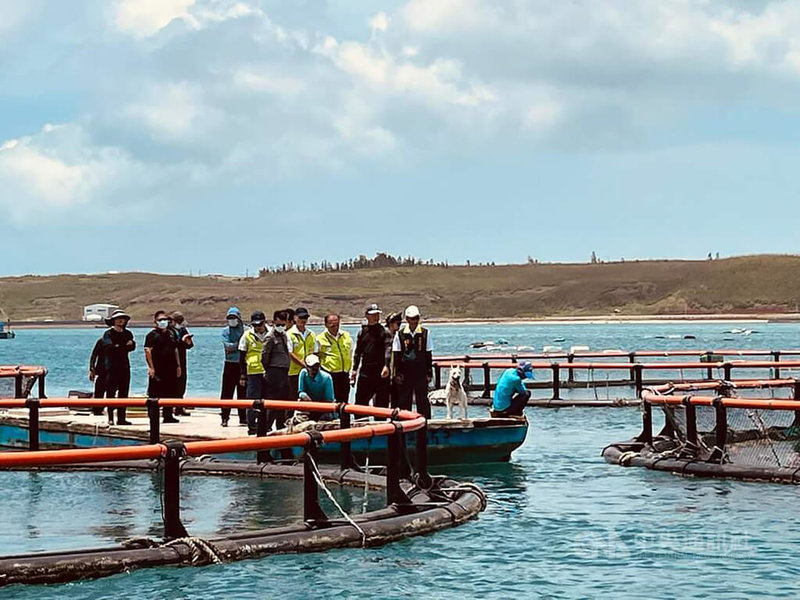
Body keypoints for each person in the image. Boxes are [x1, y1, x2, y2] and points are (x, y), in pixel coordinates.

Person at [392, 305, 433, 419]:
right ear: (407, 319)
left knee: (422, 400)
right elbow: (397, 355)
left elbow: (428, 353)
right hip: (406, 373)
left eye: (416, 318)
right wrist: (398, 373)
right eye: (412, 318)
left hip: (421, 372)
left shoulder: (425, 333)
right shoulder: (400, 334)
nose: (414, 321)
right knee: (405, 400)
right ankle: (405, 423)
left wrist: (429, 373)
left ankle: (425, 422)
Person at [144, 310, 181, 424]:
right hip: (157, 368)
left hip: (170, 367)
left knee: (170, 392)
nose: (163, 322)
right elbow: (147, 350)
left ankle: (168, 415)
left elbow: (175, 349)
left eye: (165, 320)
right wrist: (151, 367)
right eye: (160, 320)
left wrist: (178, 365)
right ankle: (153, 417)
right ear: (155, 321)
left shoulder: (171, 333)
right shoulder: (151, 335)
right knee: (154, 393)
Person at [352, 304, 391, 409]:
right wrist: (354, 369)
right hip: (366, 371)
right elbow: (357, 352)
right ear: (367, 316)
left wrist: (386, 366)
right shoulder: (362, 332)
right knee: (360, 401)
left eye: (377, 314)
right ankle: (360, 423)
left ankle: (382, 423)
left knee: (382, 402)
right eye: (373, 315)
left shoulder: (385, 332)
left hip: (381, 371)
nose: (376, 317)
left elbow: (388, 349)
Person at [100, 309, 135, 425]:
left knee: (124, 393)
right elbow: (109, 348)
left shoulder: (128, 333)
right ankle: (110, 417)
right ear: (113, 321)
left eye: (123, 319)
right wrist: (123, 346)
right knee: (110, 392)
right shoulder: (108, 334)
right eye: (118, 319)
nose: (121, 321)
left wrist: (119, 347)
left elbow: (132, 347)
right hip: (111, 367)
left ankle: (121, 418)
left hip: (124, 366)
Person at [261, 309, 292, 431]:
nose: (281, 327)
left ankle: (280, 425)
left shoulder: (283, 335)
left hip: (284, 371)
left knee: (283, 400)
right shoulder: (270, 337)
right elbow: (264, 356)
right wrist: (269, 369)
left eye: (283, 324)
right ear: (273, 322)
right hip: (274, 371)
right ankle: (266, 426)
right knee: (273, 401)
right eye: (278, 324)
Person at [239, 310, 269, 435]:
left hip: (268, 372)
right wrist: (242, 375)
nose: (258, 327)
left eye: (260, 325)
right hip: (253, 372)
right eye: (255, 325)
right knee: (252, 400)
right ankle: (252, 426)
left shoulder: (271, 333)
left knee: (267, 400)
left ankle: (266, 425)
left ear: (264, 322)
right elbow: (242, 357)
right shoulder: (247, 335)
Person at [316, 313, 353, 404]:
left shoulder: (346, 335)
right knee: (330, 400)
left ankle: (345, 418)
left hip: (344, 374)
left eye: (337, 324)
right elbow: (315, 356)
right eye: (332, 325)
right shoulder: (319, 338)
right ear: (326, 325)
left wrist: (352, 371)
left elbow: (351, 353)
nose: (335, 327)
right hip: (329, 375)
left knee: (344, 401)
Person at [220, 306, 247, 427]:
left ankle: (243, 417)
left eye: (233, 318)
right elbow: (228, 347)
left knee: (243, 393)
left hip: (242, 364)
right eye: (229, 318)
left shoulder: (246, 330)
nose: (231, 320)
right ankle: (225, 417)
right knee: (227, 392)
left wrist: (236, 347)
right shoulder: (225, 331)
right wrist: (240, 345)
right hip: (229, 364)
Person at [287, 307, 316, 404]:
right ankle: (289, 418)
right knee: (292, 397)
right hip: (293, 372)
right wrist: (304, 364)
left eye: (305, 318)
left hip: (308, 372)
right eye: (301, 317)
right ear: (295, 318)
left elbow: (314, 352)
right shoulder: (289, 334)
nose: (303, 320)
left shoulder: (311, 334)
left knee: (308, 397)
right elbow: (290, 353)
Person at [297, 354, 335, 421]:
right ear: (306, 366)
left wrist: (316, 407)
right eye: (312, 367)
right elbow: (301, 391)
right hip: (309, 407)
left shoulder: (327, 378)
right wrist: (305, 396)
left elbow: (329, 400)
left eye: (317, 366)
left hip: (323, 408)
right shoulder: (303, 373)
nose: (314, 369)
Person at [170, 311, 194, 415]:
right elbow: (172, 345)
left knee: (181, 384)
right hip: (171, 360)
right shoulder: (169, 331)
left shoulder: (183, 330)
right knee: (172, 384)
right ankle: (171, 407)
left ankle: (179, 407)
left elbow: (189, 345)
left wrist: (187, 342)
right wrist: (181, 342)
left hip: (182, 360)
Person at [88, 335, 106, 415]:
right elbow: (94, 355)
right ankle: (97, 410)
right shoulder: (101, 341)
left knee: (111, 391)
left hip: (114, 370)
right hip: (101, 370)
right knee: (99, 391)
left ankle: (106, 409)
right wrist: (92, 368)